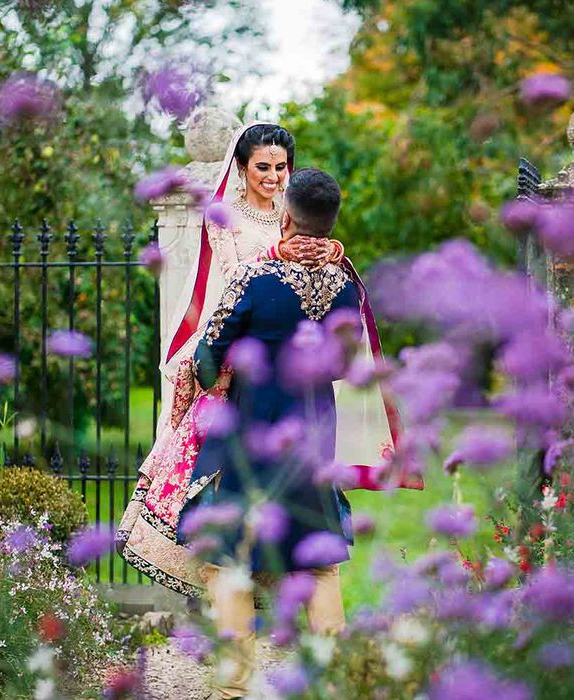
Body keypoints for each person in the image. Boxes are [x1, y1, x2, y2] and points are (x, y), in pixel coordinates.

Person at [116, 123, 412, 597]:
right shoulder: (225, 219)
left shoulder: (298, 215)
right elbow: (227, 290)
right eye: (263, 167)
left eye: (281, 168)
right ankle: (227, 585)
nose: (273, 177)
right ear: (241, 168)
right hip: (242, 347)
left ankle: (263, 600)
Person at [179, 168, 357, 700]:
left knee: (230, 558)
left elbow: (206, 358)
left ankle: (234, 688)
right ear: (331, 222)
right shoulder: (346, 285)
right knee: (319, 560)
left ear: (286, 215)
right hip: (313, 441)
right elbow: (347, 363)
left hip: (250, 438)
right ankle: (338, 680)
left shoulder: (254, 279)